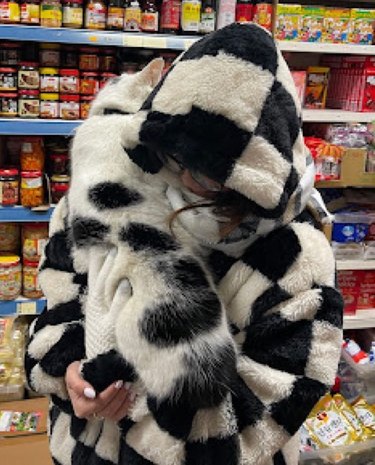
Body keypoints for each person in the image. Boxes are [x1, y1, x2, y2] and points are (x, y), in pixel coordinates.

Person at [25, 23, 343, 465]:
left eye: (215, 174)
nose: (189, 180)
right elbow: (59, 300)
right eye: (179, 159)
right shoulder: (108, 194)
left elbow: (274, 405)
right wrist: (68, 374)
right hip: (84, 450)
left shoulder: (296, 255)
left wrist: (137, 407)